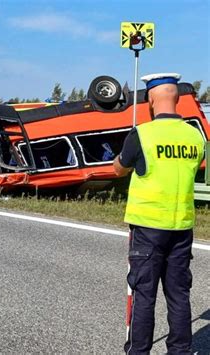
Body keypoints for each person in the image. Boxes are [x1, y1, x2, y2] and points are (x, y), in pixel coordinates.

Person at [113, 73, 205, 354]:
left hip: (148, 227)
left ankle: (138, 352)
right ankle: (180, 350)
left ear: (151, 99)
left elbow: (120, 168)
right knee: (179, 295)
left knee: (144, 295)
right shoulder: (195, 136)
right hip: (182, 226)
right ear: (177, 98)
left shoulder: (142, 134)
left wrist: (120, 158)